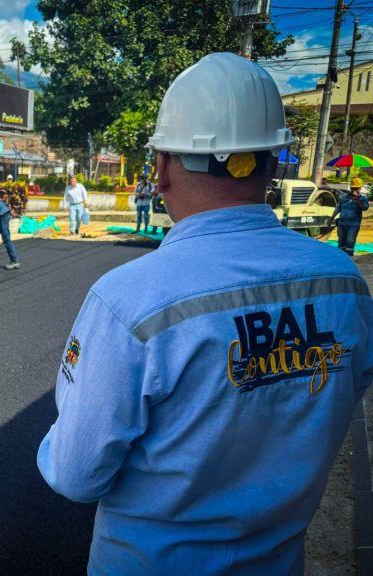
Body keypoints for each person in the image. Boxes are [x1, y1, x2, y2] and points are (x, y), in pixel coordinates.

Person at [37, 52, 373, 575]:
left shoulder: (129, 300)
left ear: (163, 167)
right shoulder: (343, 282)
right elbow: (337, 399)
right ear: (271, 162)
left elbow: (75, 474)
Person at [330, 176, 369, 256]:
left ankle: (350, 258)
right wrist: (331, 218)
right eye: (353, 188)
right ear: (350, 188)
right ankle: (341, 258)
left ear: (360, 189)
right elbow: (338, 208)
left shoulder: (363, 199)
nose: (354, 190)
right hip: (342, 224)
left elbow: (364, 208)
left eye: (357, 188)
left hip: (353, 225)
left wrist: (358, 199)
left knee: (350, 242)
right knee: (341, 242)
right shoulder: (344, 197)